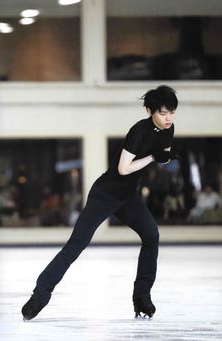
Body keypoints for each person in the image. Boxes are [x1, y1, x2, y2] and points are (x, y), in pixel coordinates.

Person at [21, 85, 178, 320]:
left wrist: (162, 158)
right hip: (105, 194)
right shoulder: (138, 131)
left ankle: (142, 299)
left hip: (128, 196)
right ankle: (39, 296)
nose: (168, 118)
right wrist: (153, 157)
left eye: (172, 113)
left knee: (151, 236)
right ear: (149, 111)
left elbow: (161, 155)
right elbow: (124, 169)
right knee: (76, 244)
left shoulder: (169, 129)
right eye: (163, 113)